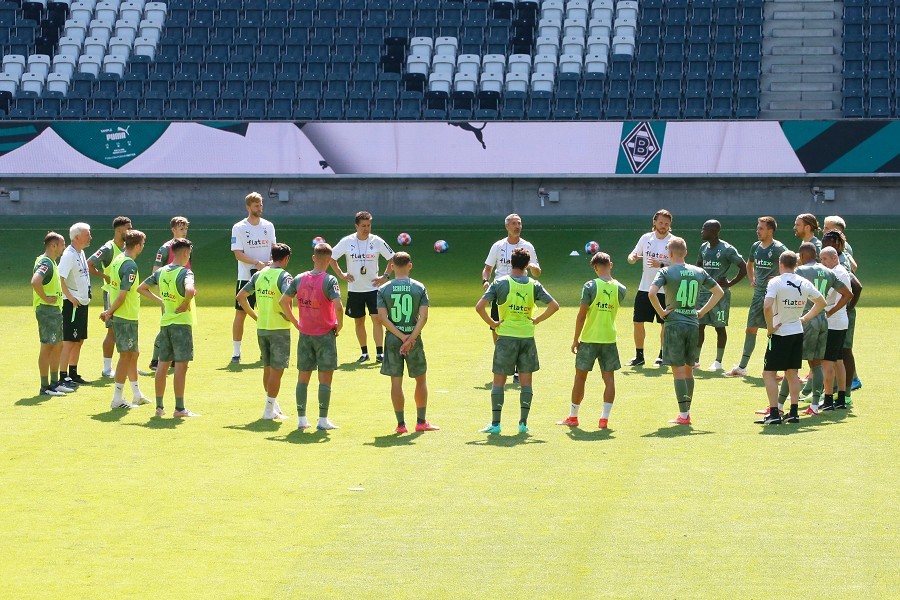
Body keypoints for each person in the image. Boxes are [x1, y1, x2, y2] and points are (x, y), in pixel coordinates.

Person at [476, 247, 559, 434]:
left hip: (506, 338)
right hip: (527, 338)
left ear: (510, 263)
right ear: (527, 265)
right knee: (526, 383)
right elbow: (554, 306)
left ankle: (496, 425)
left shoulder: (500, 283)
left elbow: (479, 307)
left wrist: (493, 323)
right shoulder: (534, 285)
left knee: (498, 382)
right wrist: (537, 319)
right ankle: (523, 424)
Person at [649, 237, 724, 426]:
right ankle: (686, 411)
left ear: (670, 253)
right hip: (692, 324)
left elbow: (651, 293)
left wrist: (662, 313)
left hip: (674, 324)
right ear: (686, 253)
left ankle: (683, 415)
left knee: (677, 371)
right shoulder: (699, 271)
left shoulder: (666, 271)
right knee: (689, 370)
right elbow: (719, 292)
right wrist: (701, 312)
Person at [774, 243, 851, 416]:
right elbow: (848, 294)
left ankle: (779, 405)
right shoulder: (829, 272)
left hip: (806, 320)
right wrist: (830, 311)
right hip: (824, 320)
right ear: (815, 255)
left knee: (791, 365)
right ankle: (815, 406)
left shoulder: (799, 272)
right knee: (816, 363)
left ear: (801, 256)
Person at [557, 251, 626, 429]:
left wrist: (575, 339)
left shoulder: (590, 286)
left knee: (580, 378)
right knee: (609, 379)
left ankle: (573, 417)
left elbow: (581, 316)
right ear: (610, 265)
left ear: (595, 268)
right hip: (609, 338)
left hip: (589, 339)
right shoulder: (621, 288)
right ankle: (604, 419)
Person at [755, 251, 826, 425]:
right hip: (797, 331)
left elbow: (767, 306)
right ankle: (793, 413)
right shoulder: (803, 282)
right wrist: (804, 318)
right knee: (792, 374)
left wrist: (770, 327)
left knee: (768, 373)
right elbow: (822, 303)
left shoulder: (776, 282)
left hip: (780, 333)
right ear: (796, 264)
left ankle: (774, 413)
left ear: (780, 264)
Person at [280, 243, 344, 431]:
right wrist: (339, 325)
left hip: (305, 334)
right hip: (325, 334)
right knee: (325, 378)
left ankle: (301, 420)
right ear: (330, 260)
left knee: (303, 377)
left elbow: (284, 301)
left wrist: (295, 322)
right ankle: (322, 420)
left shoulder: (299, 278)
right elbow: (339, 307)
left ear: (314, 258)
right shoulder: (330, 280)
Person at [376, 251, 439, 433]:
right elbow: (424, 316)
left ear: (392, 267)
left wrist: (401, 337)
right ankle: (421, 422)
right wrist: (410, 338)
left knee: (396, 382)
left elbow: (382, 318)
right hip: (414, 340)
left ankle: (401, 425)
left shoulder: (384, 289)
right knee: (420, 379)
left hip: (393, 339)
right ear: (410, 265)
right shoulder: (419, 287)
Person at [137, 238, 200, 418]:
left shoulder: (161, 271)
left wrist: (162, 301)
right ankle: (179, 409)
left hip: (165, 324)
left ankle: (159, 407)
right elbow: (189, 290)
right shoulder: (186, 273)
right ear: (186, 253)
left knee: (162, 366)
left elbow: (142, 288)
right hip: (181, 325)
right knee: (181, 367)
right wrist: (186, 302)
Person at [236, 242, 293, 420]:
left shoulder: (259, 274)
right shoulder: (284, 276)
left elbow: (241, 297)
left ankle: (273, 406)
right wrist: (289, 316)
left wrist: (255, 316)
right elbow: (286, 298)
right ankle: (268, 410)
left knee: (267, 369)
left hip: (263, 328)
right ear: (286, 259)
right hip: (279, 329)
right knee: (277, 371)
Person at [724, 216, 787, 378]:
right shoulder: (756, 247)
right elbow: (749, 263)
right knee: (751, 328)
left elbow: (792, 264)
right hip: (758, 294)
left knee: (774, 332)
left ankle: (773, 369)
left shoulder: (779, 248)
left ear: (770, 231)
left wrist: (779, 278)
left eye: (761, 228)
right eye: (757, 228)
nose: (757, 231)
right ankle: (742, 367)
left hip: (773, 297)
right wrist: (751, 278)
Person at [330, 210, 395, 363]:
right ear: (356, 226)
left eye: (369, 225)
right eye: (363, 225)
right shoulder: (347, 241)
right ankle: (364, 353)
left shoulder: (377, 241)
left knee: (377, 319)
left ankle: (380, 353)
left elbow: (392, 258)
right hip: (355, 289)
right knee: (359, 321)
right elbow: (332, 258)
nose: (366, 228)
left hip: (374, 289)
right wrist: (342, 274)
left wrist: (384, 277)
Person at [98, 229, 150, 409]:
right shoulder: (130, 266)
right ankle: (117, 399)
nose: (143, 247)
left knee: (133, 354)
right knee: (126, 357)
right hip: (125, 316)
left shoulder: (117, 260)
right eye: (142, 245)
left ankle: (137, 395)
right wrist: (110, 311)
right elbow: (121, 295)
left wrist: (110, 311)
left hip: (124, 315)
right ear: (137, 245)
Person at [481, 213, 542, 346]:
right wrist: (485, 281)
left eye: (519, 223)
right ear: (507, 226)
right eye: (514, 224)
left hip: (521, 289)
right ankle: (499, 352)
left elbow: (537, 273)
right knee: (497, 324)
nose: (517, 226)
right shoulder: (498, 246)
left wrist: (532, 267)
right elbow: (487, 269)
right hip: (500, 289)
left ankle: (521, 350)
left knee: (521, 322)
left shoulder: (528, 246)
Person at [694, 220, 747, 371]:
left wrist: (729, 283)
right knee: (699, 326)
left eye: (704, 229)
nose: (702, 231)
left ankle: (718, 361)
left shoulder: (727, 249)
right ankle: (696, 360)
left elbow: (743, 267)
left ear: (713, 231)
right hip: (703, 294)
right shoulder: (703, 248)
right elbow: (698, 267)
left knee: (720, 327)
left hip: (720, 296)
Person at [231, 192, 277, 364]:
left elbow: (274, 248)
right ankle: (236, 353)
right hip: (246, 277)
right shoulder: (239, 227)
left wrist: (272, 262)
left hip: (267, 277)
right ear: (248, 207)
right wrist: (256, 263)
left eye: (261, 205)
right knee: (241, 313)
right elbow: (238, 254)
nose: (260, 208)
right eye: (256, 206)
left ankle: (266, 351)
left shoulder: (269, 226)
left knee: (268, 313)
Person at [821, 232, 864, 408]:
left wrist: (830, 311)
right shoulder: (839, 271)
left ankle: (829, 399)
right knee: (838, 360)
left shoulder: (835, 274)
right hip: (840, 322)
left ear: (833, 257)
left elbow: (841, 295)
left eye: (824, 259)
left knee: (828, 361)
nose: (822, 262)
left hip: (834, 323)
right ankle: (841, 398)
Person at [626, 209, 673, 367]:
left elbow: (679, 264)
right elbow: (633, 255)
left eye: (666, 224)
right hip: (645, 288)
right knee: (638, 321)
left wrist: (660, 264)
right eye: (660, 223)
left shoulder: (674, 241)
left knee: (665, 324)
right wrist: (632, 258)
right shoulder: (646, 238)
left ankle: (662, 356)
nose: (663, 226)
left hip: (665, 290)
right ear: (654, 222)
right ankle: (639, 356)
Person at [88, 215, 132, 377]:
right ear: (119, 229)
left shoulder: (128, 246)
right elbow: (89, 264)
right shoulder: (108, 248)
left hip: (125, 294)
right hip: (111, 293)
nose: (130, 230)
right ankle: (107, 368)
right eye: (128, 227)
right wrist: (105, 277)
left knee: (126, 329)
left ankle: (127, 365)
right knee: (112, 331)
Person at [32, 232, 72, 396]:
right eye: (62, 244)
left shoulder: (51, 263)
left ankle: (55, 383)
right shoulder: (46, 263)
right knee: (48, 346)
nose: (64, 247)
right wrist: (46, 298)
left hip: (54, 310)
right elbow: (35, 281)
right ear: (53, 245)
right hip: (47, 311)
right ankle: (45, 386)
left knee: (57, 345)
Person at [149, 216, 190, 371]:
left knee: (180, 325)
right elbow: (156, 273)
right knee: (167, 326)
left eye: (185, 228)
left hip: (182, 293)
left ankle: (174, 358)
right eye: (181, 229)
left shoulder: (186, 247)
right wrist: (163, 296)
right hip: (170, 296)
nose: (184, 232)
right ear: (173, 230)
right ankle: (155, 360)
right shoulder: (165, 249)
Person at [58, 222, 93, 387]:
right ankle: (63, 375)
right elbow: (61, 278)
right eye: (88, 234)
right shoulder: (69, 255)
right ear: (77, 237)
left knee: (78, 340)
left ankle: (73, 372)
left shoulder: (81, 252)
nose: (90, 237)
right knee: (69, 341)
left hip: (83, 303)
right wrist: (70, 297)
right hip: (72, 304)